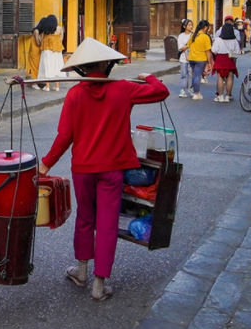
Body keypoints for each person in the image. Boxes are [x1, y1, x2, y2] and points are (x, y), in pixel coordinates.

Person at [38, 37, 170, 302]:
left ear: (82, 69)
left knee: (85, 217)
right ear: (108, 65)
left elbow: (65, 136)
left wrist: (46, 163)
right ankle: (99, 284)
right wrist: (149, 76)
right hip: (114, 168)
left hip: (84, 168)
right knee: (108, 223)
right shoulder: (123, 88)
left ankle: (82, 271)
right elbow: (161, 92)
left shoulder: (75, 94)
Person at [211, 22, 241, 103]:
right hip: (229, 60)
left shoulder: (218, 40)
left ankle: (220, 96)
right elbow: (237, 51)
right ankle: (227, 96)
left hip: (220, 59)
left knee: (220, 78)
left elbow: (214, 50)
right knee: (229, 79)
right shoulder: (234, 40)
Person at [37, 15, 66, 91]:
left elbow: (41, 39)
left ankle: (47, 86)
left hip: (47, 50)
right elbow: (61, 39)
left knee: (48, 67)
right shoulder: (60, 29)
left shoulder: (45, 30)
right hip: (57, 50)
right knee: (57, 66)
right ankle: (57, 87)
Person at [187, 20, 213, 100]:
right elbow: (208, 51)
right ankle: (196, 93)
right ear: (205, 27)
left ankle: (193, 88)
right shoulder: (205, 37)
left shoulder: (194, 35)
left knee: (195, 75)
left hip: (191, 58)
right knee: (197, 76)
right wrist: (210, 62)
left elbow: (188, 45)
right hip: (200, 59)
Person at [176, 19, 194, 98]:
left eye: (191, 25)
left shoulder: (194, 35)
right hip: (184, 57)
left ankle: (192, 88)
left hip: (193, 57)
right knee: (184, 74)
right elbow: (181, 48)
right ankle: (183, 89)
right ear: (184, 26)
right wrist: (189, 45)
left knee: (193, 74)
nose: (191, 26)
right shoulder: (181, 36)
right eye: (189, 25)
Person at [26, 20, 43, 88]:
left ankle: (35, 81)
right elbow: (38, 43)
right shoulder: (36, 31)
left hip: (37, 51)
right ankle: (34, 83)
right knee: (35, 67)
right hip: (34, 51)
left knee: (37, 66)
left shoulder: (39, 32)